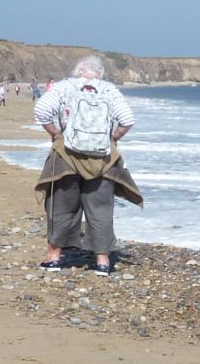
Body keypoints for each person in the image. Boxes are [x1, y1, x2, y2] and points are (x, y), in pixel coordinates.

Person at [31, 54, 141, 275]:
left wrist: (55, 134)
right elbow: (127, 119)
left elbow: (41, 111)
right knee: (100, 208)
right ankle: (102, 261)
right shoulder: (108, 90)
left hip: (67, 155)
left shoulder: (64, 87)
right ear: (99, 74)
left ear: (77, 72)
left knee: (61, 206)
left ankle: (53, 257)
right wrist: (114, 138)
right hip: (102, 157)